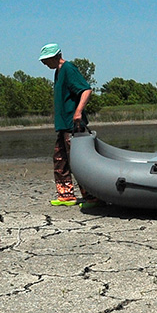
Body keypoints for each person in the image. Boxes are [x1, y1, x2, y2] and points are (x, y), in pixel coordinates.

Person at [39, 43, 95, 206]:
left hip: (73, 124)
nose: (44, 63)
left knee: (78, 161)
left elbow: (86, 90)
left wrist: (78, 112)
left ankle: (91, 196)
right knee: (60, 159)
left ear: (55, 56)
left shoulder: (68, 68)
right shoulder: (58, 72)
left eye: (46, 59)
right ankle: (66, 194)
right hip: (63, 125)